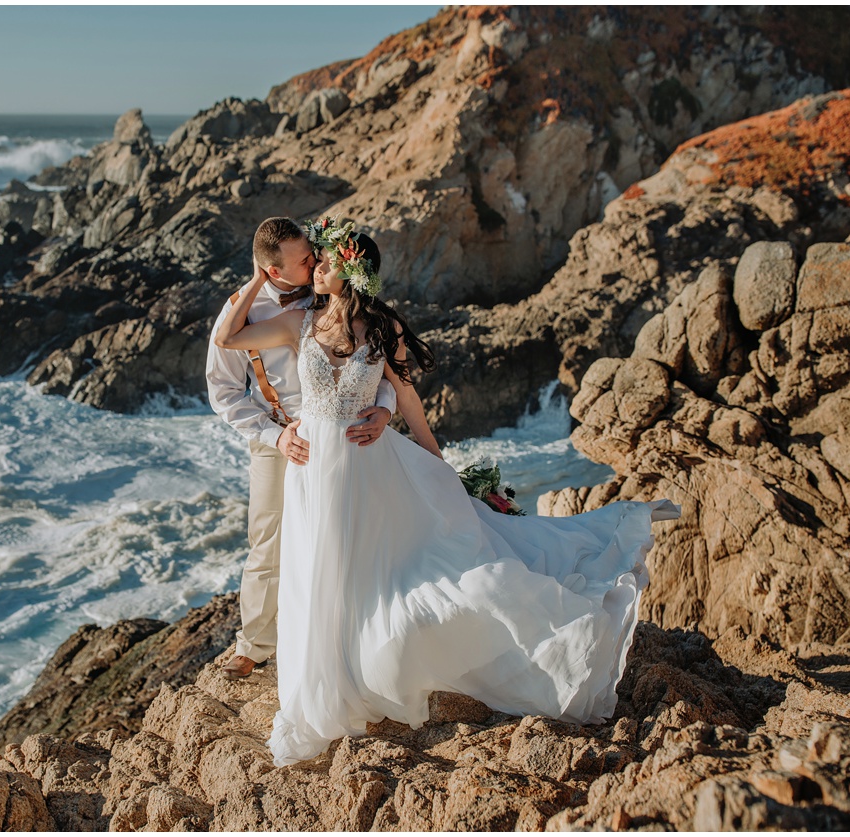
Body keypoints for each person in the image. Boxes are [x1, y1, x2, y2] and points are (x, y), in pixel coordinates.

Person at [215, 217, 680, 767]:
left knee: (365, 571)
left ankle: (357, 669)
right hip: (312, 465)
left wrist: (441, 470)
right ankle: (325, 672)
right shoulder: (300, 318)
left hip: (365, 465)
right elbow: (227, 337)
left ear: (350, 272)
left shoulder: (383, 330)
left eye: (325, 262)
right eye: (313, 261)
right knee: (316, 572)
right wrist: (254, 275)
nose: (315, 267)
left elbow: (409, 404)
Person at [205, 217, 398, 680]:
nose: (316, 262)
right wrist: (276, 436)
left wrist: (386, 409)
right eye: (306, 259)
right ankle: (254, 646)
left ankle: (346, 635)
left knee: (347, 536)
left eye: (315, 255)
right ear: (273, 271)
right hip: (278, 436)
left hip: (343, 434)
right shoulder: (241, 311)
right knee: (269, 540)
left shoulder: (328, 291)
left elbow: (379, 365)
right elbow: (223, 393)